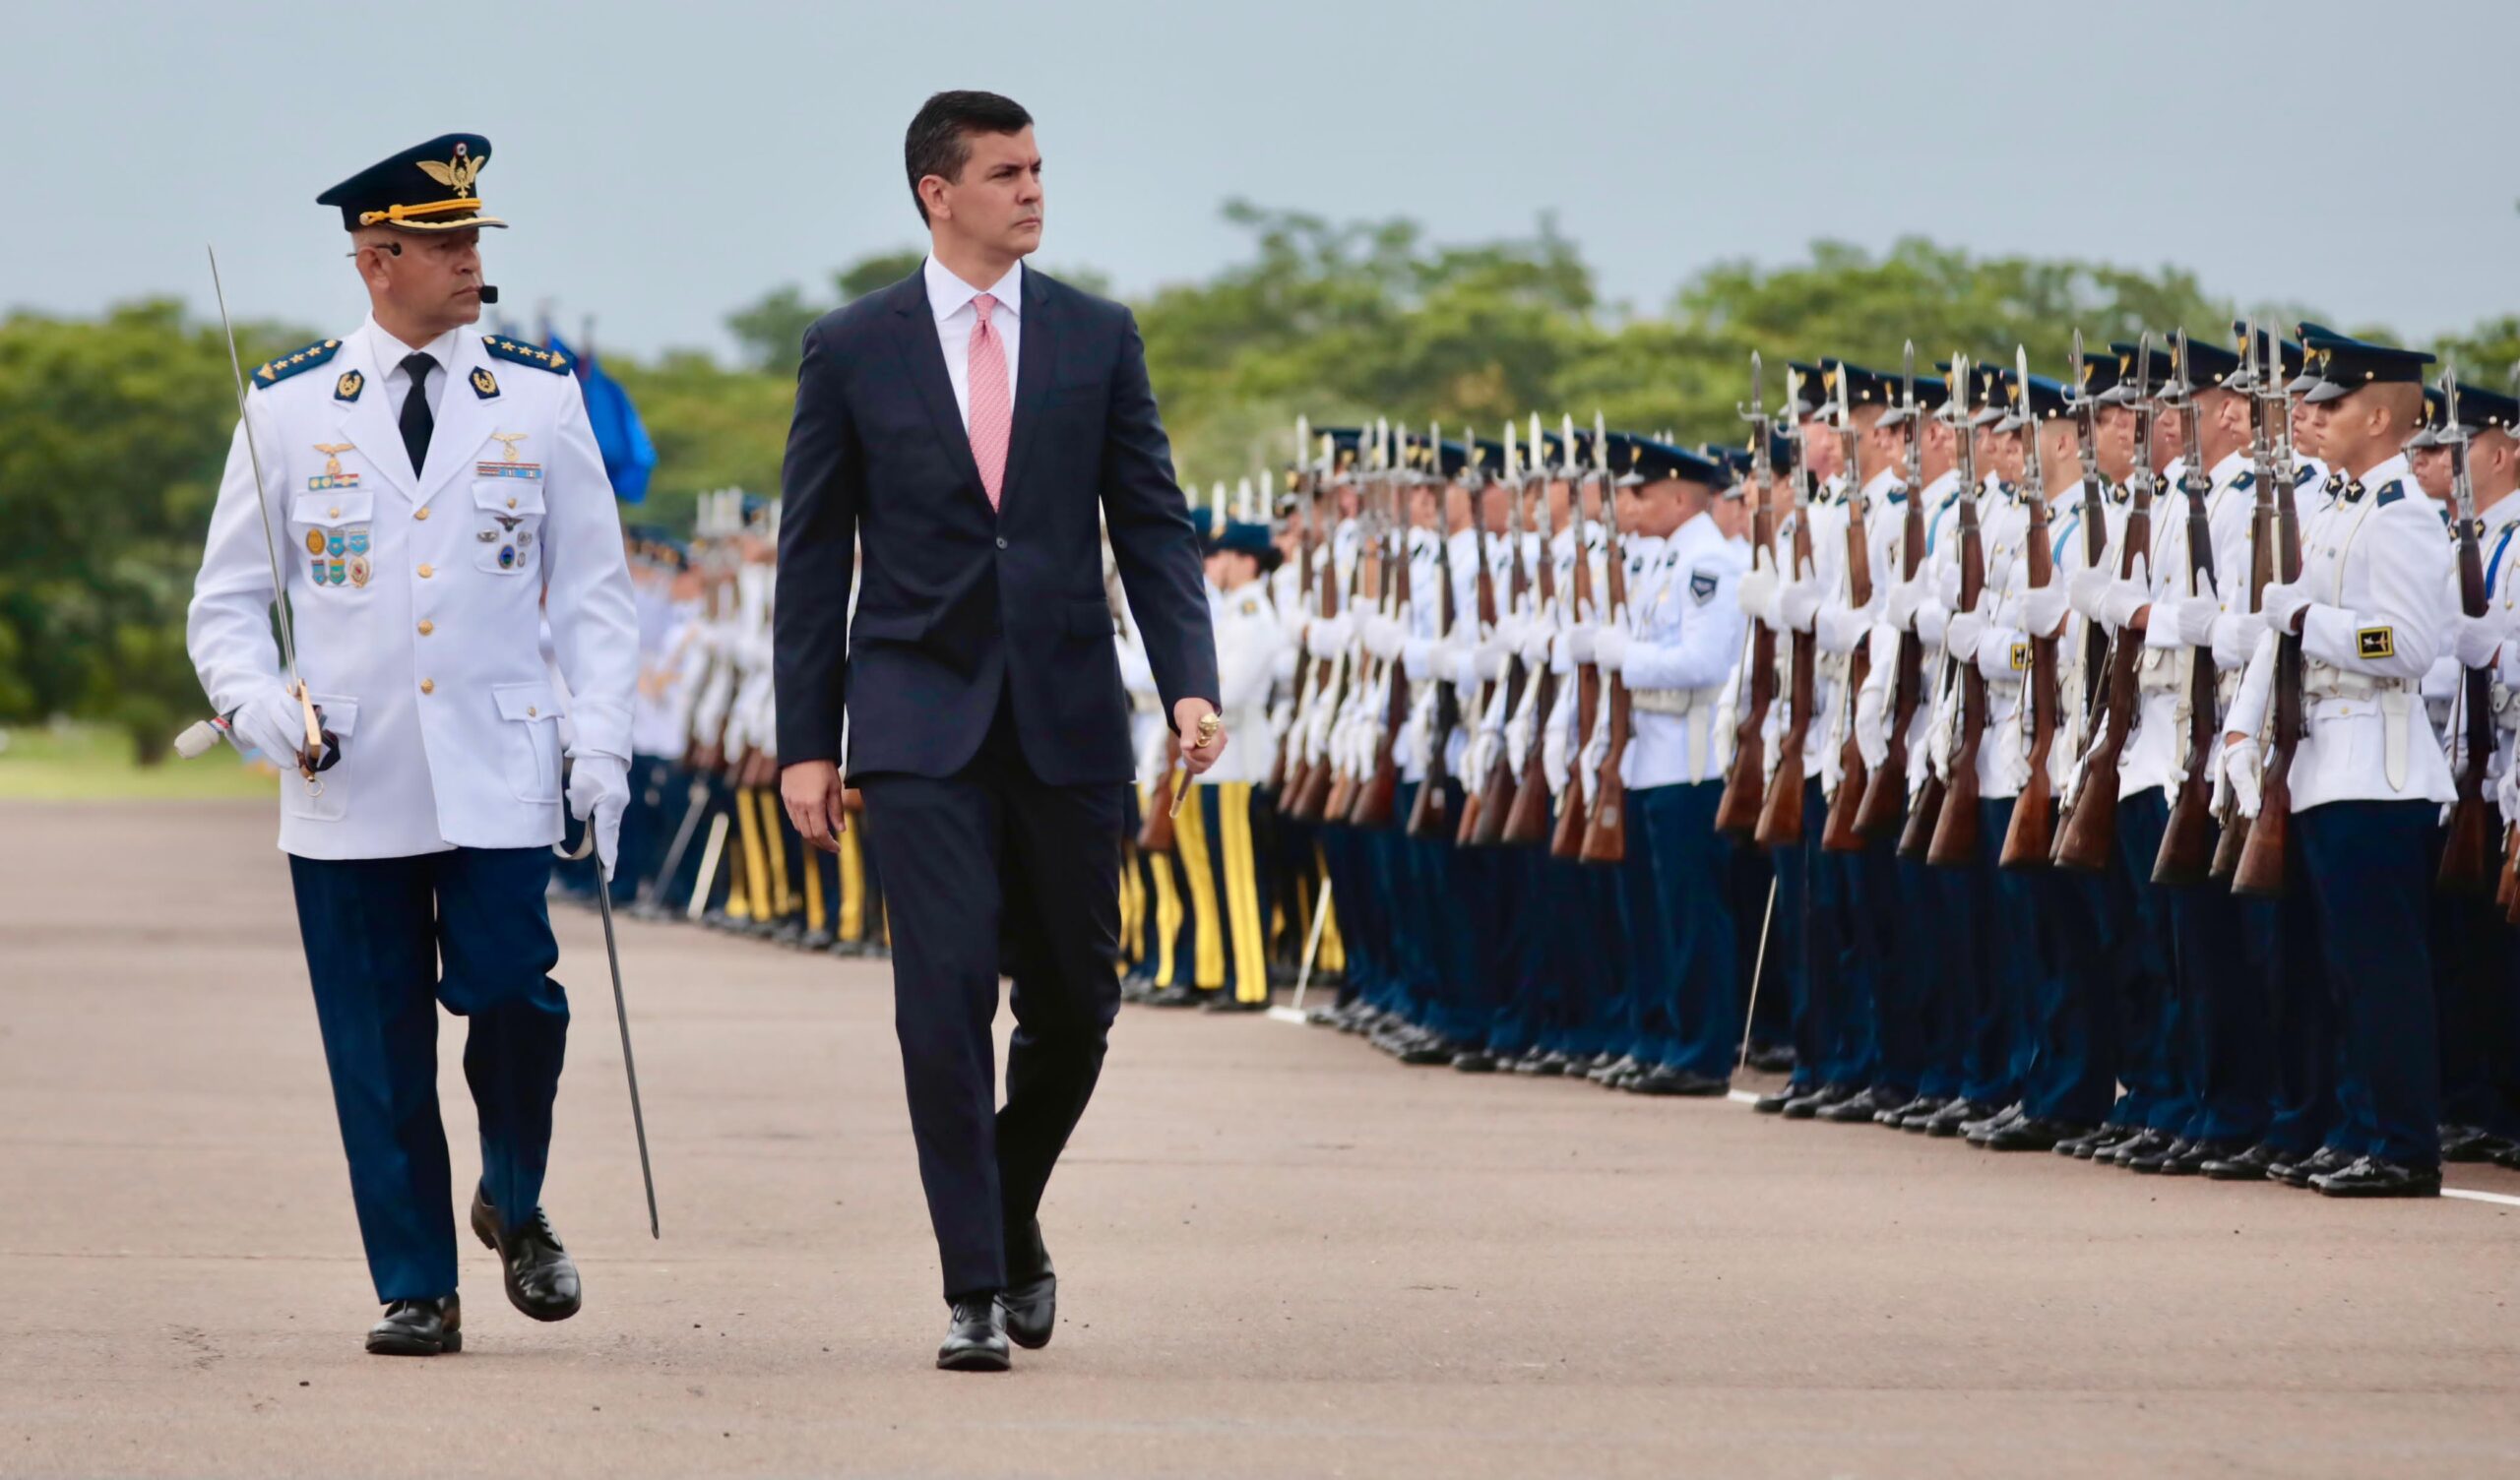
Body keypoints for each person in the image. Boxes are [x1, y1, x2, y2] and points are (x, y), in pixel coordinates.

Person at [773, 91, 1221, 1370]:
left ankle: (1009, 1205)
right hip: (915, 720)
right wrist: (808, 738)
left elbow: (1153, 526)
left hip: (1071, 716)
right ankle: (972, 1284)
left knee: (1078, 1003)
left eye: (1038, 169)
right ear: (938, 191)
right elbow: (812, 558)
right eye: (1007, 172)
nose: (1033, 190)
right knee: (942, 999)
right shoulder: (852, 346)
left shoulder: (1096, 336)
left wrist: (1188, 679)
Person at [185, 134, 639, 1356]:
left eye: (475, 240)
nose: (470, 264)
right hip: (350, 774)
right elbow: (225, 604)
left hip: (500, 765)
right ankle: (415, 1281)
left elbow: (595, 593)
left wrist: (601, 745)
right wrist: (255, 701)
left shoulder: (539, 398)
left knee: (515, 998)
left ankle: (517, 1194)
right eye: (446, 245)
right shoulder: (286, 407)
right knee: (375, 1039)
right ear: (376, 259)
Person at [2220, 331, 2452, 1198]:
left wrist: (2304, 621)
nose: (2315, 415)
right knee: (2337, 969)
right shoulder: (2338, 509)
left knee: (2380, 970)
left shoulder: (2402, 516)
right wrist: (2244, 733)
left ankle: (2401, 1143)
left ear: (2382, 415)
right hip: (2323, 763)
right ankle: (2357, 1126)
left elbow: (2411, 644)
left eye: (2335, 403)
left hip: (2376, 771)